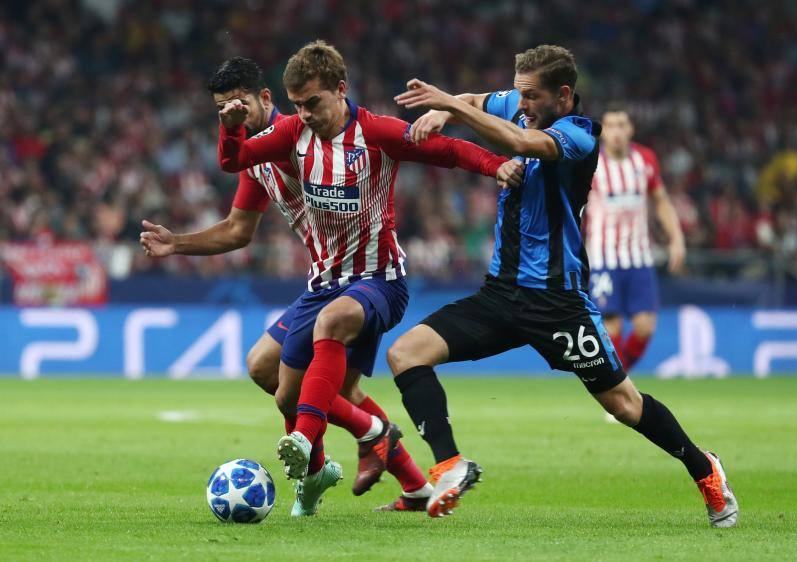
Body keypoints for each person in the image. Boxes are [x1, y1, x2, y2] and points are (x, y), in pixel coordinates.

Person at [391, 44, 738, 527]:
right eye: (518, 94)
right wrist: (450, 107)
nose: (522, 104)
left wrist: (449, 104)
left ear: (564, 95)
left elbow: (524, 145)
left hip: (557, 301)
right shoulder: (519, 104)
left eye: (531, 97)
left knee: (623, 404)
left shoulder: (580, 135)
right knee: (406, 353)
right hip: (500, 293)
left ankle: (705, 469)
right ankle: (450, 466)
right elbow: (475, 99)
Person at [216, 41, 523, 515]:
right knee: (281, 389)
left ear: (341, 90)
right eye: (296, 105)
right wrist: (229, 129)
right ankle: (384, 449)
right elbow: (235, 161)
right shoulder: (294, 133)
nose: (304, 114)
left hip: (379, 281)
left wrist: (496, 164)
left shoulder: (375, 132)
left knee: (330, 330)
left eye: (313, 103)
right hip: (323, 283)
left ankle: (306, 438)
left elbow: (448, 150)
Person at [140, 56, 435, 515]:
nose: (229, 114)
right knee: (268, 369)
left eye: (237, 103)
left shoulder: (301, 135)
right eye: (220, 107)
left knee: (311, 393)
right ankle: (406, 483)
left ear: (264, 98)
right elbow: (239, 230)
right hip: (325, 282)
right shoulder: (256, 157)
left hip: (364, 280)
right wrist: (176, 244)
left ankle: (337, 464)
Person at [583, 105, 686, 370]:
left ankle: (619, 378)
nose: (616, 132)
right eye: (611, 126)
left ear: (630, 129)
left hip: (639, 256)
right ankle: (619, 387)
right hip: (603, 256)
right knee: (611, 325)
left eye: (621, 125)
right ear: (602, 132)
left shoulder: (645, 160)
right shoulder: (591, 163)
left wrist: (677, 240)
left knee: (644, 326)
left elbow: (661, 202)